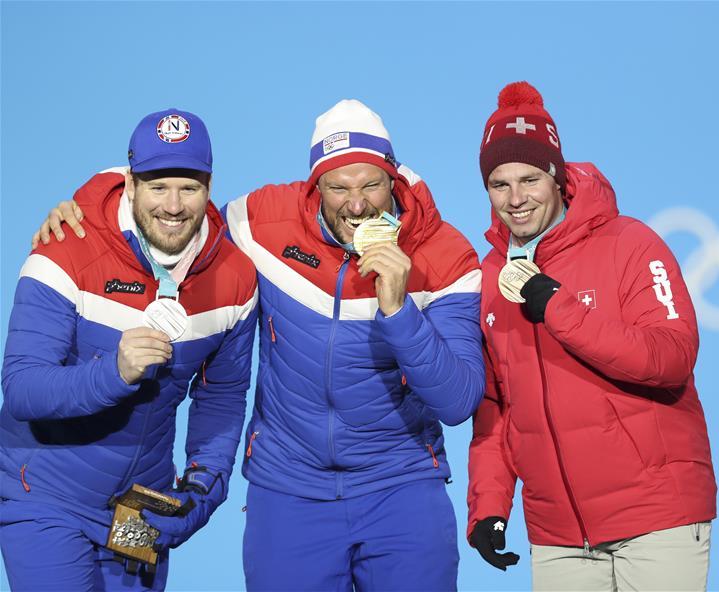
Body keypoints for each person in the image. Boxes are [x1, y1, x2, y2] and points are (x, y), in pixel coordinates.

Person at [32, 99, 485, 591]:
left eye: (371, 185)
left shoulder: (445, 256)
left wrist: (398, 311)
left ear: (393, 178)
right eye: (338, 187)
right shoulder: (260, 223)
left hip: (400, 485)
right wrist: (88, 210)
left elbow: (458, 401)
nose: (357, 205)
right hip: (288, 490)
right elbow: (174, 218)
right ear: (315, 186)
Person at [466, 82, 717, 591]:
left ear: (557, 177)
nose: (516, 199)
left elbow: (672, 357)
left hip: (655, 518)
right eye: (499, 184)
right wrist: (489, 505)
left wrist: (559, 308)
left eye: (530, 179)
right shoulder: (491, 274)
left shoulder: (630, 243)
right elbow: (497, 406)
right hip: (558, 535)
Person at [1, 109, 258, 590]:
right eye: (158, 187)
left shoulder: (235, 277)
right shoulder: (66, 248)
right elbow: (21, 388)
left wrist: (202, 489)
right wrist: (113, 373)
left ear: (209, 186)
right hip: (47, 499)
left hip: (136, 514)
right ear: (131, 182)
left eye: (189, 187)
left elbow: (222, 397)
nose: (174, 206)